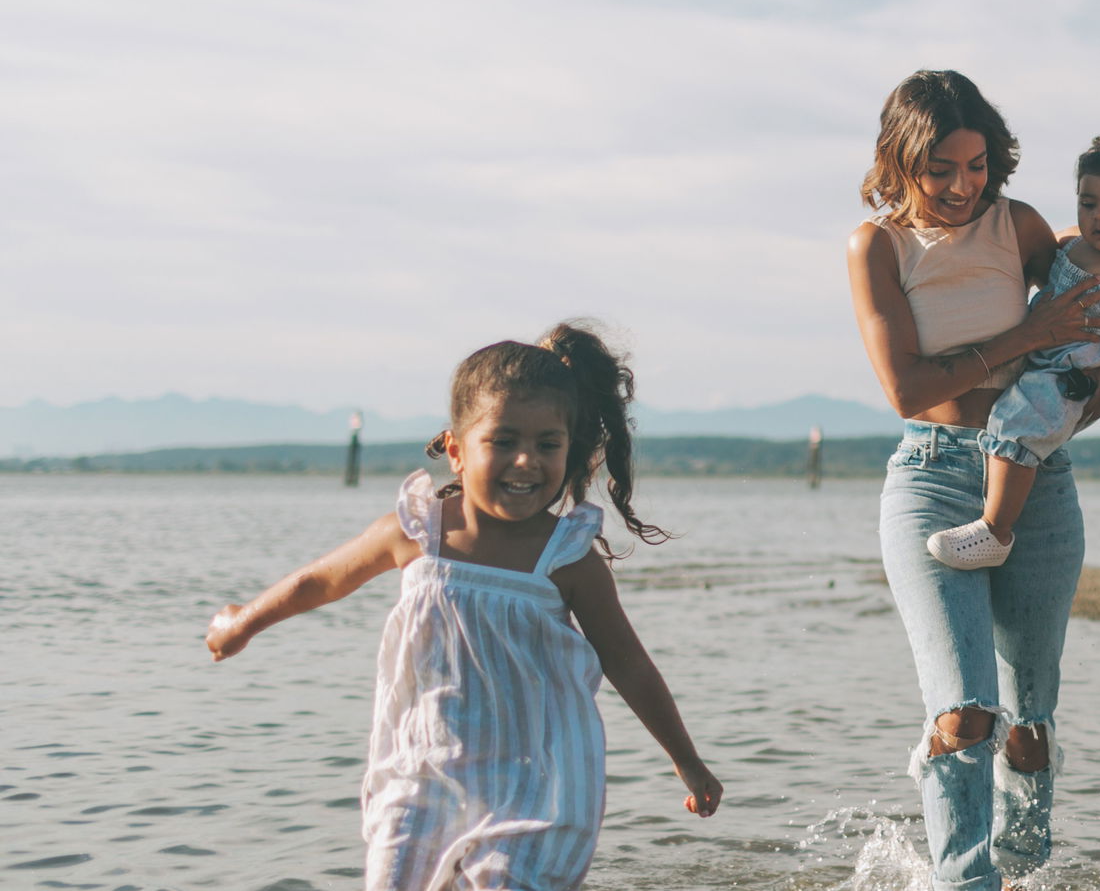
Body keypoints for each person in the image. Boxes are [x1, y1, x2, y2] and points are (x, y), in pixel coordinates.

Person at [205, 322, 721, 891]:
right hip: (421, 779)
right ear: (456, 448)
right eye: (503, 441)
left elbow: (628, 663)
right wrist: (243, 621)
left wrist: (686, 759)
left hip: (537, 789)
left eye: (547, 444)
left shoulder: (567, 557)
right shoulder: (416, 532)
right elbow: (320, 583)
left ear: (569, 449)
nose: (526, 461)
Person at [847, 70, 1100, 890]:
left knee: (1027, 723)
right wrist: (1026, 335)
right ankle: (965, 880)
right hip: (930, 477)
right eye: (941, 168)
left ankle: (1026, 870)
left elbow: (1099, 321)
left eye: (977, 166)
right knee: (966, 713)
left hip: (1037, 480)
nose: (963, 186)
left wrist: (1092, 390)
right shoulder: (878, 246)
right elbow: (908, 388)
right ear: (901, 162)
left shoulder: (1022, 226)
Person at [927, 136, 1100, 569]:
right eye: (1088, 203)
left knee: (1017, 426)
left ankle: (996, 530)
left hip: (1073, 372)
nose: (1099, 216)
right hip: (1037, 354)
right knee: (1004, 419)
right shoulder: (1067, 244)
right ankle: (993, 509)